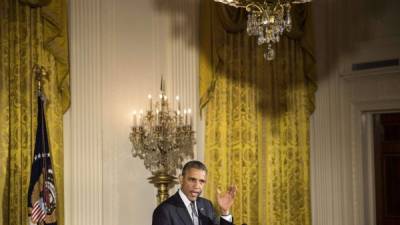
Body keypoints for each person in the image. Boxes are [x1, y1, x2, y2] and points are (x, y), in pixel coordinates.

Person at [152, 160, 237, 225]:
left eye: (202, 181)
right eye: (192, 180)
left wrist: (225, 212)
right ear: (181, 179)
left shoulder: (207, 205)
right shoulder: (164, 210)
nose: (197, 186)